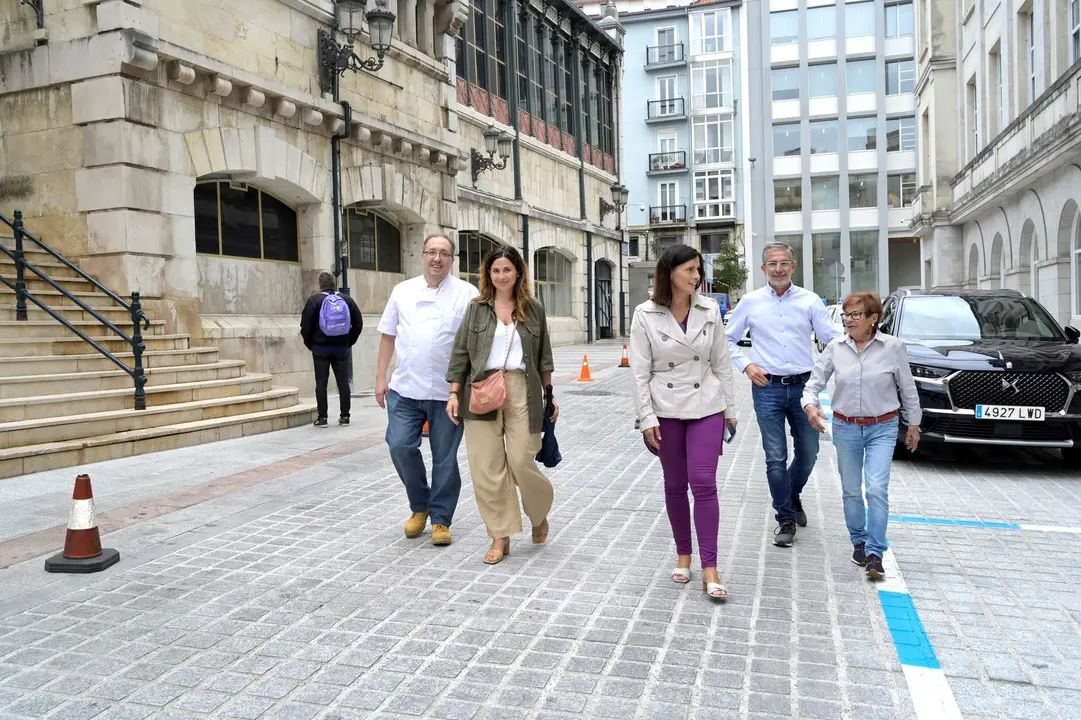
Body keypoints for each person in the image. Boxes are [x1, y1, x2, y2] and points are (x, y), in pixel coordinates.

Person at [630, 244, 738, 600]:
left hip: (707, 404)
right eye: (690, 270)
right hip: (665, 408)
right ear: (670, 272)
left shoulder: (709, 309)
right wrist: (646, 418)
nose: (696, 276)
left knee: (703, 482)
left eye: (698, 270)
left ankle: (710, 565)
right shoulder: (645, 313)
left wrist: (731, 409)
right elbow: (639, 372)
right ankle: (683, 553)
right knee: (675, 484)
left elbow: (722, 363)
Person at [445, 245, 557, 565]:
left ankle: (538, 513)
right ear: (488, 274)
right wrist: (454, 394)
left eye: (507, 269)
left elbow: (544, 357)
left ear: (518, 272)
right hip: (481, 389)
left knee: (522, 460)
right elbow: (461, 354)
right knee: (487, 467)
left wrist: (550, 396)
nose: (501, 275)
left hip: (522, 388)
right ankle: (500, 535)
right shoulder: (477, 308)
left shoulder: (533, 309)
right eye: (495, 271)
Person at [724, 242, 839, 548]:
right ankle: (785, 518)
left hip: (804, 387)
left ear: (793, 266)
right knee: (775, 457)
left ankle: (791, 491)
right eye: (772, 264)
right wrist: (746, 365)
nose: (778, 268)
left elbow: (831, 339)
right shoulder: (749, 302)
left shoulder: (810, 301)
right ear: (763, 269)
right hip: (767, 388)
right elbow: (728, 339)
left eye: (783, 263)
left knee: (810, 452)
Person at [801, 291, 921, 579]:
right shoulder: (835, 347)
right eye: (846, 315)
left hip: (883, 426)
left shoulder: (892, 347)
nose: (849, 321)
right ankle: (859, 541)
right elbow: (812, 385)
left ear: (873, 318)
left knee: (877, 489)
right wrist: (811, 407)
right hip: (846, 427)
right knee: (852, 491)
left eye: (856, 315)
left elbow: (907, 389)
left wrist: (913, 425)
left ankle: (876, 552)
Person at [376, 234, 480, 546]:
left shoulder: (467, 294)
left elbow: (475, 343)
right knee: (399, 446)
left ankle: (441, 519)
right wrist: (380, 377)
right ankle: (419, 505)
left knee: (445, 458)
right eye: (432, 252)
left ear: (452, 259)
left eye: (444, 253)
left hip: (449, 393)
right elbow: (387, 335)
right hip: (404, 388)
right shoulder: (403, 291)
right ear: (422, 256)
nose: (437, 258)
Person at [300, 271, 363, 427]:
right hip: (341, 348)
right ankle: (345, 416)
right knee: (343, 383)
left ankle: (322, 418)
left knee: (321, 384)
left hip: (320, 348)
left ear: (320, 285)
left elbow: (305, 326)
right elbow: (358, 323)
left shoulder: (314, 300)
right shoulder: (347, 300)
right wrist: (349, 341)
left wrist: (311, 344)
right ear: (334, 284)